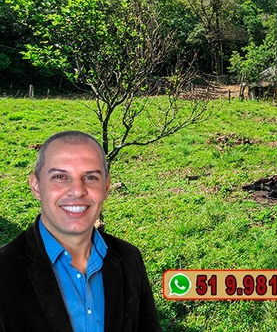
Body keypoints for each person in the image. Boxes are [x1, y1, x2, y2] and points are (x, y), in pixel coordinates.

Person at [0, 131, 162, 332]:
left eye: (91, 177)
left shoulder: (129, 258)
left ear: (106, 186)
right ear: (36, 186)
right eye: (60, 177)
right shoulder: (4, 270)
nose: (77, 191)